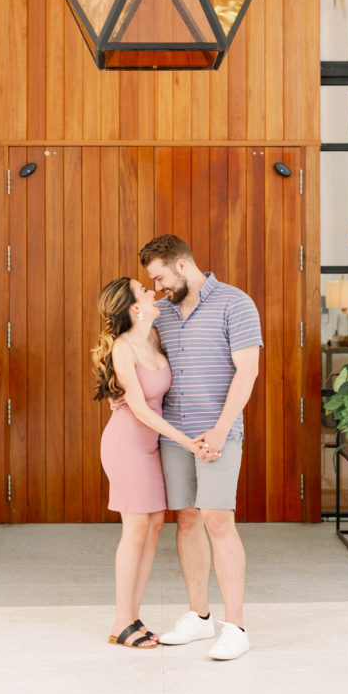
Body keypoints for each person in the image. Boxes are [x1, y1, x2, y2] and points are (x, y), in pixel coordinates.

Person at [139, 234, 262, 662]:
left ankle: (236, 627)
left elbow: (247, 372)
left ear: (182, 265)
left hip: (220, 435)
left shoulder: (235, 303)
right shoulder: (164, 315)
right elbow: (146, 361)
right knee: (187, 520)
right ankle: (199, 617)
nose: (157, 288)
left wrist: (220, 429)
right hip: (176, 435)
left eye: (160, 278)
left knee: (218, 520)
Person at [93, 276, 206, 650]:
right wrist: (186, 441)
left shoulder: (154, 338)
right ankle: (120, 622)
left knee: (154, 526)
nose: (153, 292)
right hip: (127, 446)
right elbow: (139, 408)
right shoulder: (123, 348)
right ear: (134, 308)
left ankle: (132, 615)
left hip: (151, 446)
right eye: (144, 290)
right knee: (135, 531)